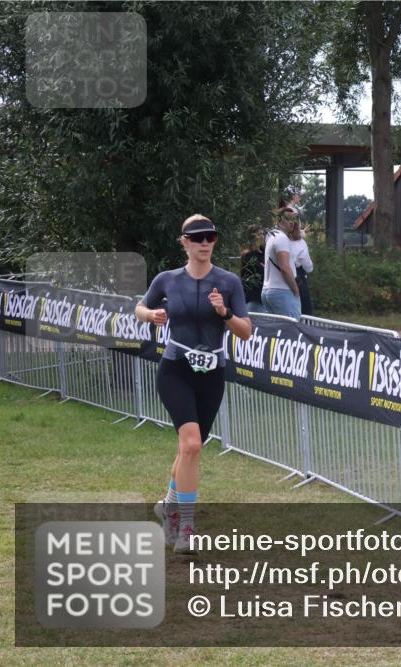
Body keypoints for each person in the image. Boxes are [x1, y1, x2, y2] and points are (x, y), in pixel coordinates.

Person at [135, 215, 252, 553]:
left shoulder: (228, 281)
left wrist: (225, 313)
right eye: (197, 238)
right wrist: (152, 316)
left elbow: (245, 332)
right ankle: (185, 527)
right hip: (176, 369)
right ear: (184, 242)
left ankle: (168, 505)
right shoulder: (167, 280)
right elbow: (140, 307)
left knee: (190, 448)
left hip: (213, 373)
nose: (204, 243)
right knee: (192, 445)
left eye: (210, 237)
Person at [261, 206, 302, 318]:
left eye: (294, 219)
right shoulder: (282, 238)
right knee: (292, 330)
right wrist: (296, 289)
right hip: (283, 290)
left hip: (267, 290)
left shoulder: (270, 236)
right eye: (288, 219)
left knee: (274, 332)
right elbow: (284, 267)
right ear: (279, 220)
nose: (292, 222)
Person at [288, 215, 315, 316]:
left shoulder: (281, 239)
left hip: (282, 276)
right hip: (298, 276)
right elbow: (308, 266)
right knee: (305, 307)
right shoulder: (300, 243)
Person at [239, 224, 266, 313]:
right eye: (259, 234)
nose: (262, 236)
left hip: (266, 298)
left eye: (262, 234)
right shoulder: (248, 255)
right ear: (252, 237)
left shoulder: (266, 253)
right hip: (254, 298)